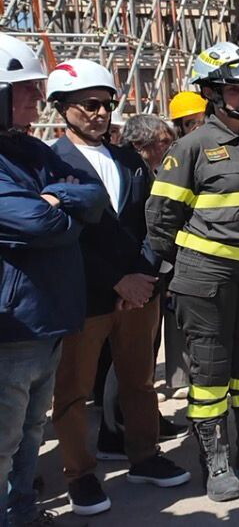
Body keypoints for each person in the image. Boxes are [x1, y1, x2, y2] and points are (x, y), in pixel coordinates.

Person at [145, 41, 239, 502]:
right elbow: (161, 217)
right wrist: (182, 268)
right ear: (210, 91)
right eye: (235, 89)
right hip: (207, 275)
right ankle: (215, 459)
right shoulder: (191, 147)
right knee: (210, 370)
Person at [46, 60, 189, 517]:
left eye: (107, 104)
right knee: (73, 390)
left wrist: (143, 275)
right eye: (89, 105)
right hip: (85, 296)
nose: (101, 113)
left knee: (140, 381)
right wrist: (116, 279)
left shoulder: (129, 160)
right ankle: (80, 474)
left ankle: (144, 456)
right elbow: (66, 234)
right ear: (63, 109)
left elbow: (151, 219)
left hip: (138, 292)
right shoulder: (51, 162)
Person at [0, 35, 107, 527]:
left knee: (28, 432)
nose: (36, 100)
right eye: (24, 90)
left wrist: (53, 201)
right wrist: (58, 208)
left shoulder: (30, 149)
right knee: (3, 440)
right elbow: (36, 223)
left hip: (46, 322)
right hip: (11, 329)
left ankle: (21, 510)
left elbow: (91, 193)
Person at [95, 114, 189, 462]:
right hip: (127, 284)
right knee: (121, 367)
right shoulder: (126, 177)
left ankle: (147, 422)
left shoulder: (153, 174)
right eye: (163, 142)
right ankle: (112, 433)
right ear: (141, 146)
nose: (168, 148)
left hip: (151, 278)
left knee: (146, 360)